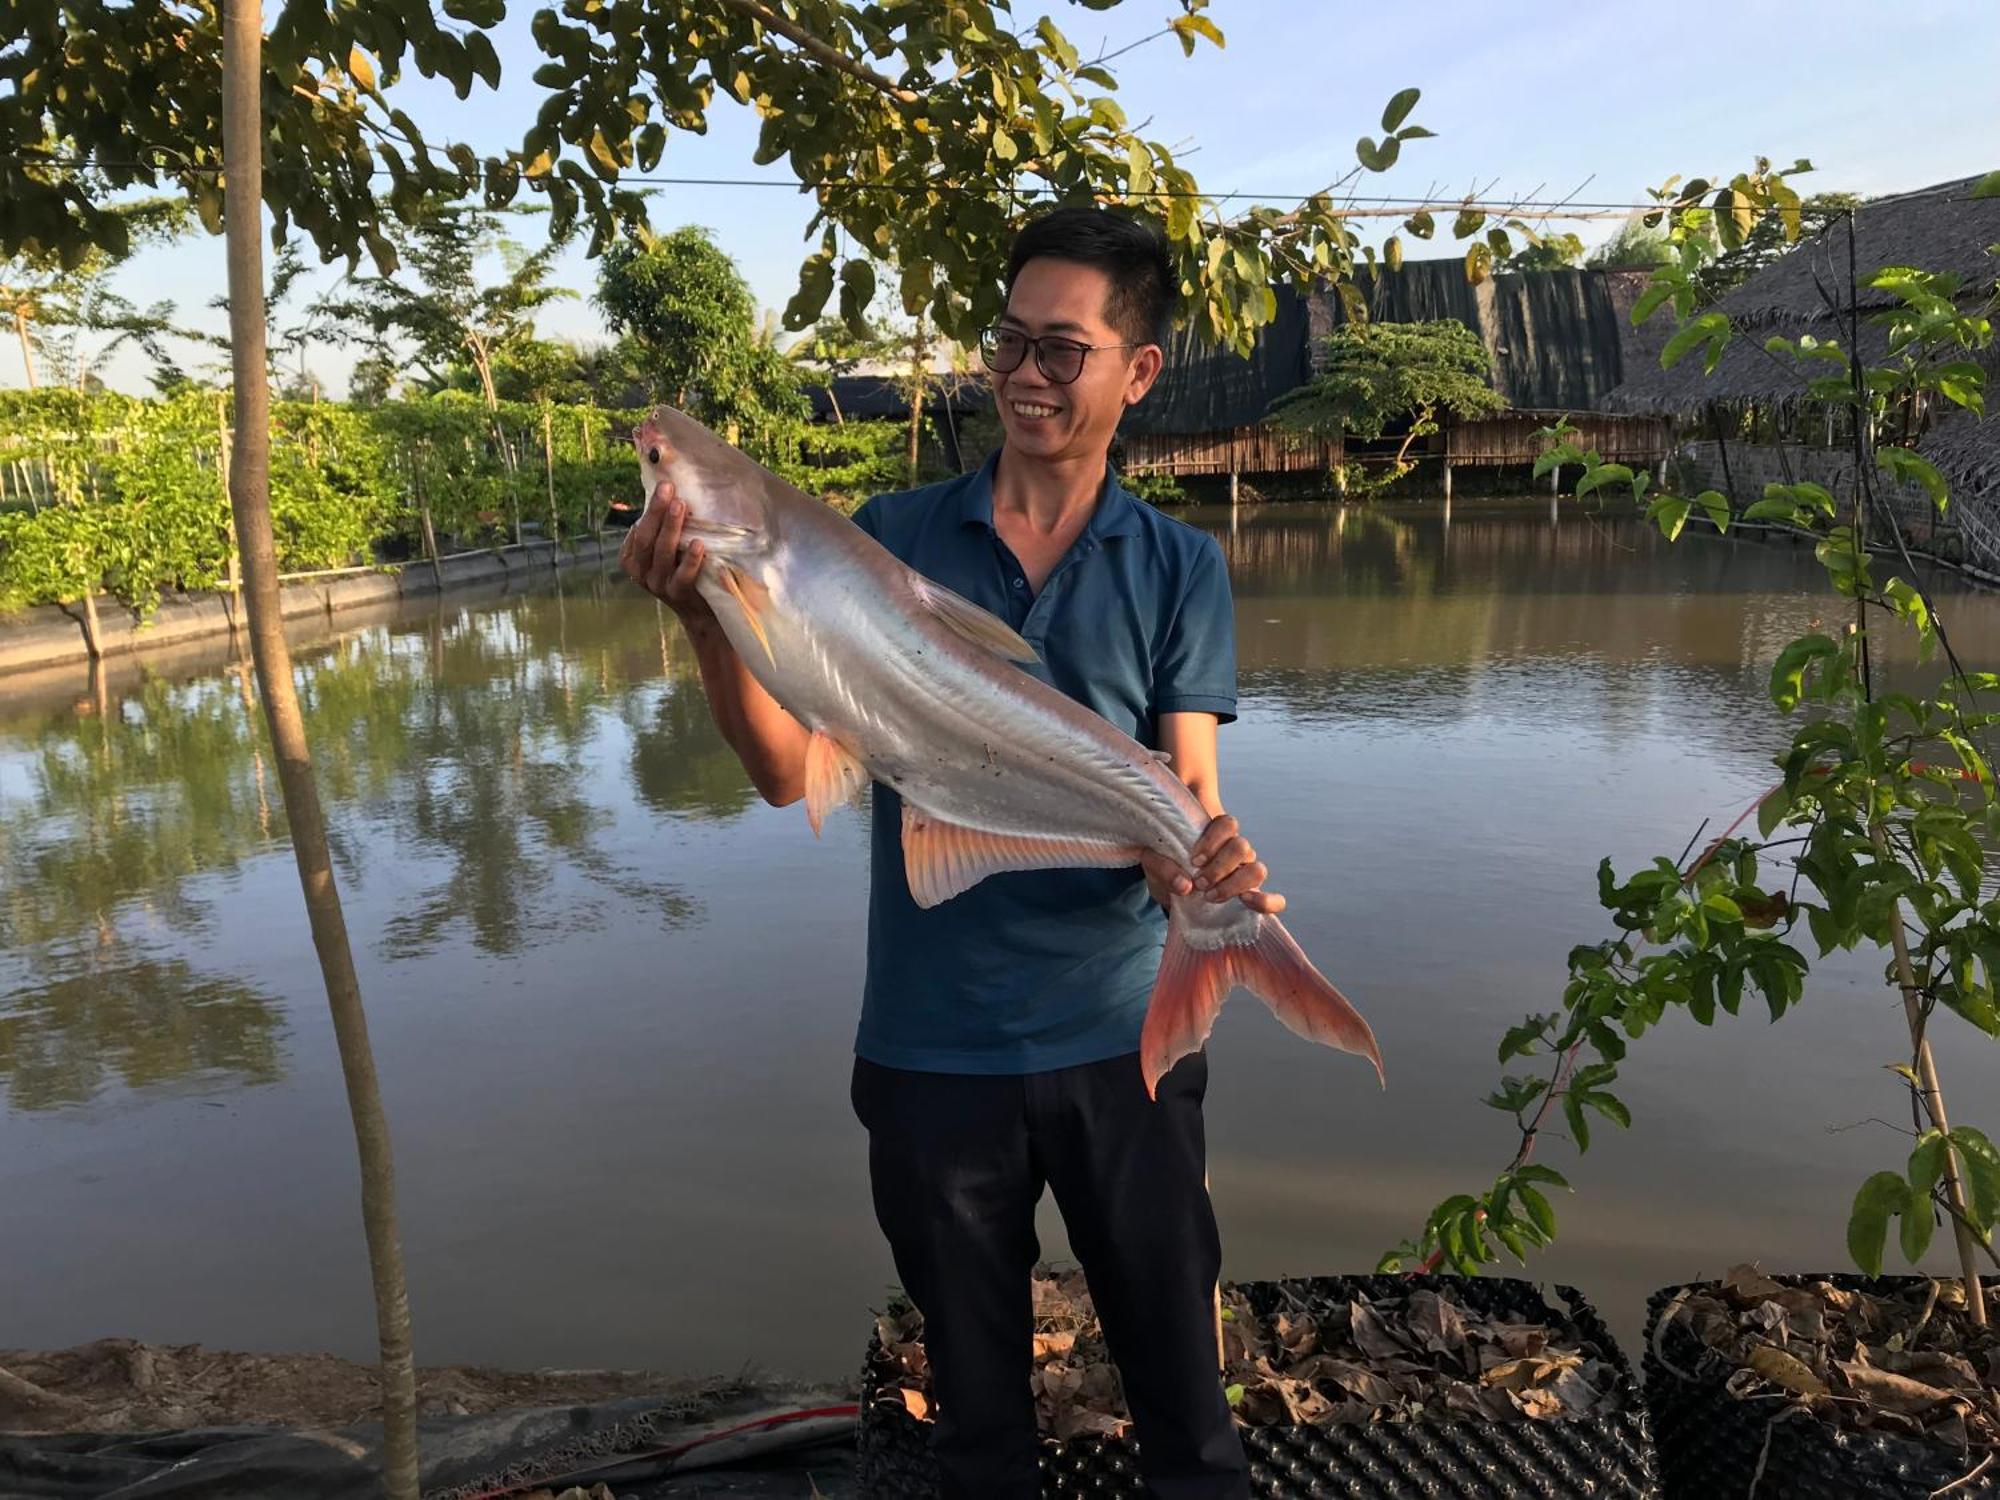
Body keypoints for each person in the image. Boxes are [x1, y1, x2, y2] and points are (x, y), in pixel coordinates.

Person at [622, 206, 1273, 1498]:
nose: (1026, 375)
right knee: (977, 1434)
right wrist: (708, 616)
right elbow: (789, 773)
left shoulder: (1179, 567)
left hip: (1126, 1047)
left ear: (1137, 373)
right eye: (1009, 343)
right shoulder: (882, 542)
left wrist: (1205, 873)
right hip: (933, 1054)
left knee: (1190, 1425)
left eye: (1063, 351)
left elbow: (1188, 787)